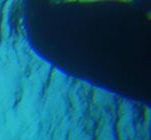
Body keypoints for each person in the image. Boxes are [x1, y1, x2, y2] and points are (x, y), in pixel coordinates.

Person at [22, 0, 151, 106]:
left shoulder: (42, 36)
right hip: (133, 58)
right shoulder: (43, 33)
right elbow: (117, 18)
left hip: (133, 71)